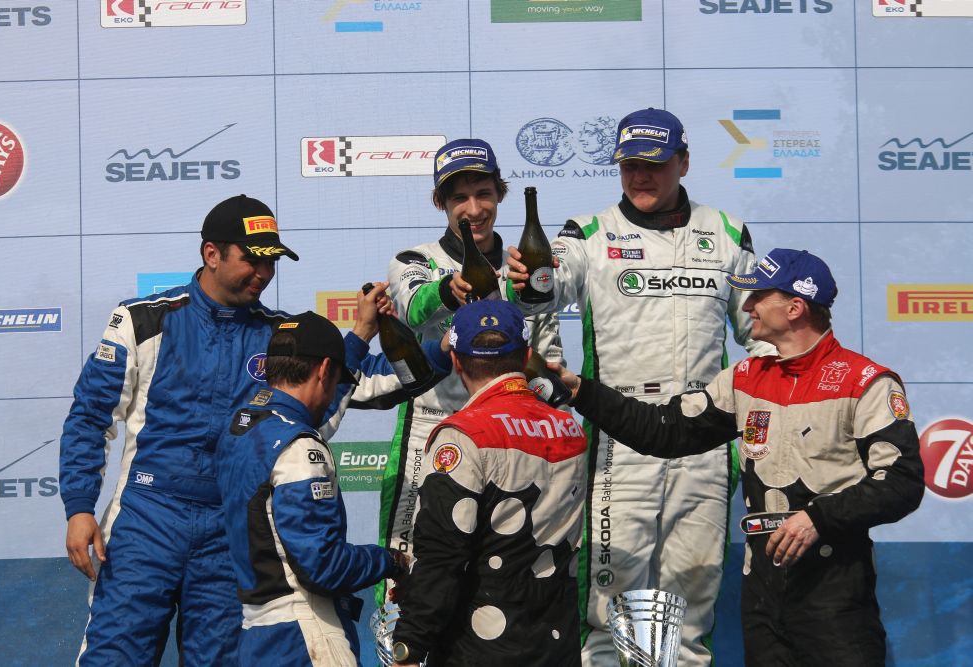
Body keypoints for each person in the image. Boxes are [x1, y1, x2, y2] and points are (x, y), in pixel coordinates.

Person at [59, 195, 450, 665]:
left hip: (230, 532)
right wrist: (79, 507)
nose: (264, 273)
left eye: (272, 262)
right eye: (253, 260)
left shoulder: (281, 336)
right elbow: (90, 415)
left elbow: (363, 379)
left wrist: (449, 346)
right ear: (211, 254)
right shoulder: (143, 319)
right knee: (113, 658)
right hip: (148, 519)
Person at [558, 249, 924, 666]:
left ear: (795, 307)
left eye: (759, 296)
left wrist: (818, 518)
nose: (747, 306)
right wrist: (581, 392)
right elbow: (665, 431)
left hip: (834, 587)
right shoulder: (746, 377)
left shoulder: (866, 382)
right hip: (763, 591)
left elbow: (902, 482)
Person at [507, 107, 773, 666]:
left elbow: (762, 333)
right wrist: (529, 279)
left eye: (653, 164)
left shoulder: (726, 232)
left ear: (684, 163)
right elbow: (545, 289)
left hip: (704, 437)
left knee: (690, 615)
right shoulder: (587, 232)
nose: (640, 176)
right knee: (610, 615)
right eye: (629, 165)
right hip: (619, 437)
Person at [379, 138, 563, 601]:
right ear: (440, 202)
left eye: (484, 194)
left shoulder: (523, 267)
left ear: (500, 194)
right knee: (414, 572)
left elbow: (549, 360)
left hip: (512, 437)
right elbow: (413, 308)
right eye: (459, 197)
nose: (474, 209)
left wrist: (548, 387)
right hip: (434, 429)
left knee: (505, 576)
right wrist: (450, 290)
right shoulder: (415, 260)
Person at [390, 300, 587, 667]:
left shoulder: (463, 434)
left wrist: (409, 645)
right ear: (526, 356)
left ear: (455, 361)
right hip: (556, 648)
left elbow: (441, 555)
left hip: (477, 650)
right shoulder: (570, 429)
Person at [216, 310, 411, 666]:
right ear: (324, 370)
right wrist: (389, 561)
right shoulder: (300, 447)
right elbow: (323, 566)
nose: (334, 393)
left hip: (256, 635)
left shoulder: (241, 427)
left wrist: (359, 337)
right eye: (337, 381)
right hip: (305, 634)